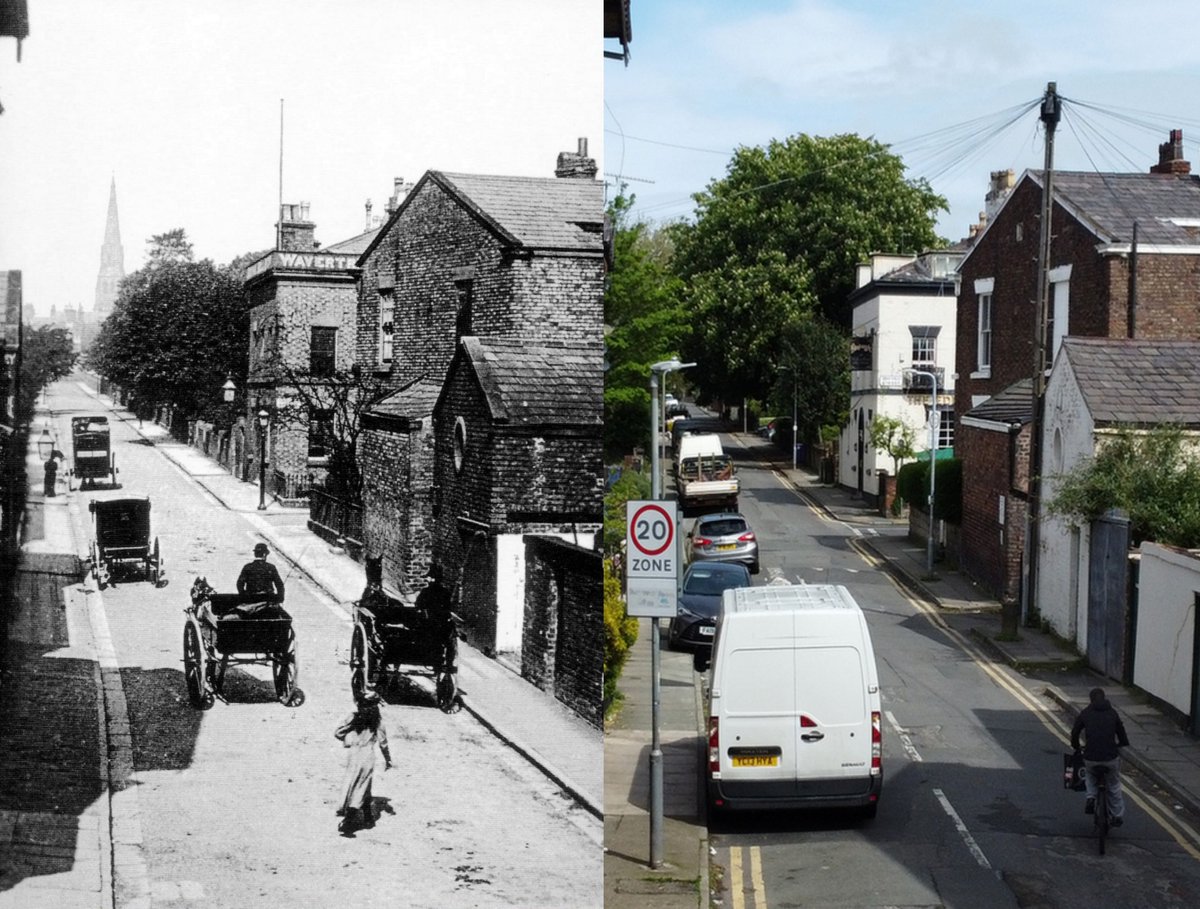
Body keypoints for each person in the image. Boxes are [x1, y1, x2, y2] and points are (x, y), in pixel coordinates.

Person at [1070, 686, 1130, 825]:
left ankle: (1091, 797)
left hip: (1091, 756)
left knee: (1090, 776)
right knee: (1114, 785)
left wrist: (1076, 747)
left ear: (1091, 700)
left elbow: (1075, 732)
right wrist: (1121, 743)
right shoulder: (1113, 713)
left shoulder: (1085, 713)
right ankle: (1117, 816)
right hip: (1110, 757)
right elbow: (1121, 732)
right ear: (1104, 698)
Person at [334, 690, 392, 835]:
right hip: (367, 755)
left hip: (353, 754)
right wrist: (388, 759)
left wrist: (350, 732)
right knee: (362, 785)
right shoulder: (377, 721)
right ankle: (349, 821)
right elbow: (383, 743)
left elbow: (338, 733)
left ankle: (368, 817)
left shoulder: (354, 717)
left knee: (356, 783)